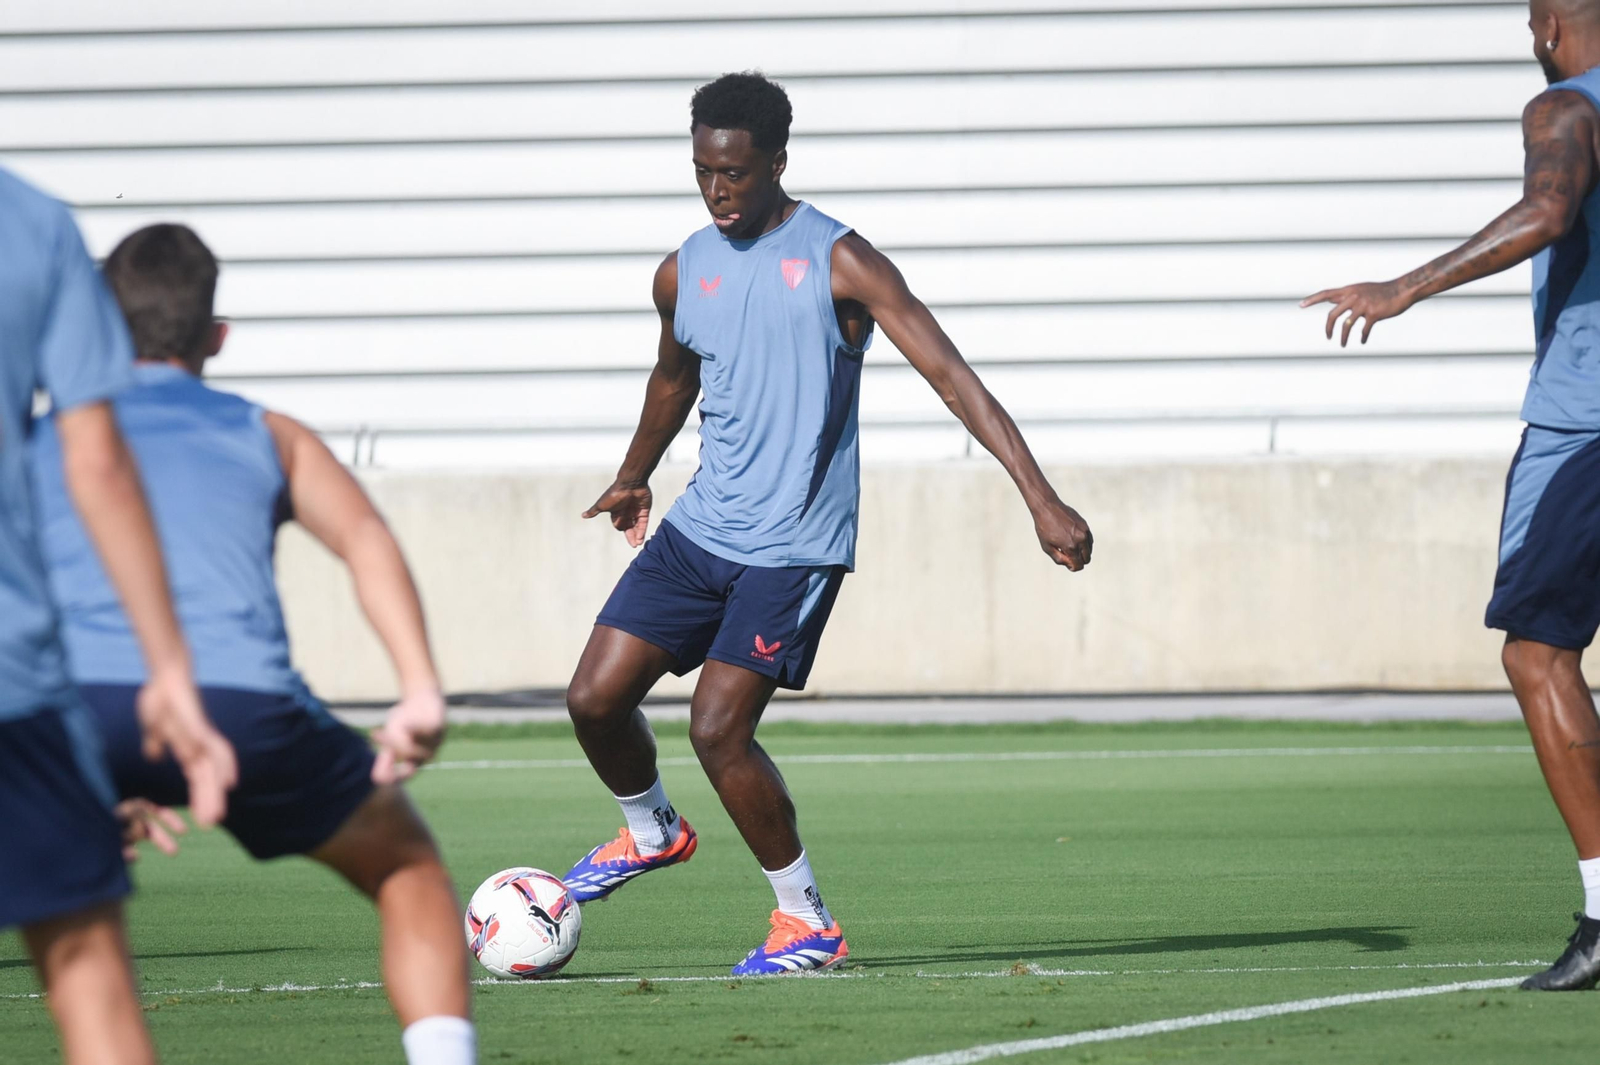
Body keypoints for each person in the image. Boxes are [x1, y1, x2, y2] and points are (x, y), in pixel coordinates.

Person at [561, 72, 1093, 976]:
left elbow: (952, 375)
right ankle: (650, 827)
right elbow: (672, 381)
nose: (716, 190)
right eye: (701, 172)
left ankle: (805, 920)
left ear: (775, 161)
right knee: (593, 700)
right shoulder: (681, 268)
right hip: (702, 529)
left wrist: (1038, 494)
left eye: (733, 172)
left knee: (717, 728)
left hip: (794, 547)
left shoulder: (844, 261)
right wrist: (634, 473)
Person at [29, 223, 476, 1062]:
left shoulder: (47, 441)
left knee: (87, 957)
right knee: (407, 867)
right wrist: (418, 686)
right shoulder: (269, 432)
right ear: (216, 337)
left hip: (71, 713)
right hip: (241, 709)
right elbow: (366, 540)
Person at [1303, 0, 1600, 991]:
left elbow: (1548, 210)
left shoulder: (1563, 107)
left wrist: (1403, 288)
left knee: (1537, 651)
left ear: (1554, 21)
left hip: (1584, 423)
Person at [0, 170, 236, 1065]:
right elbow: (93, 461)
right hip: (11, 671)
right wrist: (166, 671)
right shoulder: (28, 223)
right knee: (89, 981)